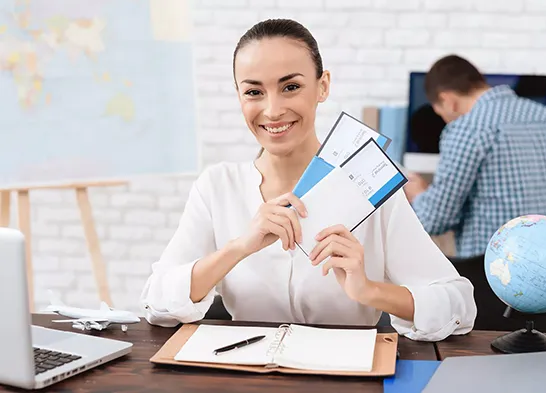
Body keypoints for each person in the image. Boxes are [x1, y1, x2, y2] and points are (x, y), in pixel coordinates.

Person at [140, 19, 476, 342]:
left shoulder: (369, 187)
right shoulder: (217, 186)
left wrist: (370, 290)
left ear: (323, 86)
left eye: (290, 87)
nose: (272, 110)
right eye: (254, 92)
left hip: (346, 376)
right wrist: (240, 246)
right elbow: (158, 303)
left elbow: (458, 304)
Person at [404, 54, 546, 258]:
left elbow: (434, 220)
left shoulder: (468, 129)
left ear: (448, 101)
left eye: (440, 113)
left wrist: (418, 194)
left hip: (493, 275)